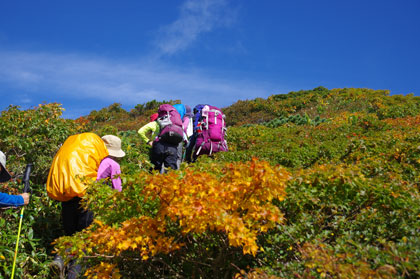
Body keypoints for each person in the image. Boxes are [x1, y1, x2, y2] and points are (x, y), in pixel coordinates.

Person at [47, 133, 110, 278]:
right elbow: (104, 175)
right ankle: (73, 275)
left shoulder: (69, 142)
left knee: (71, 235)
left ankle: (59, 260)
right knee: (85, 240)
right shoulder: (98, 145)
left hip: (66, 194)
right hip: (85, 194)